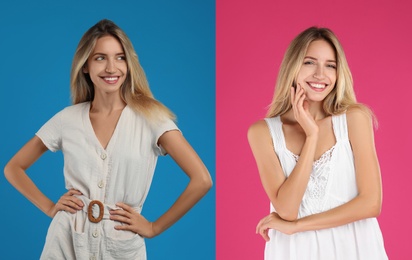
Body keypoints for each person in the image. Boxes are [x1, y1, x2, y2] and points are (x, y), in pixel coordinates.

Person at [3, 19, 213, 259]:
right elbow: (13, 168)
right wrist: (50, 208)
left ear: (129, 63)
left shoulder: (152, 120)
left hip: (122, 245)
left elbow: (202, 180)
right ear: (85, 65)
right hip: (65, 239)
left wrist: (154, 227)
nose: (112, 68)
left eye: (120, 57)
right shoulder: (67, 119)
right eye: (100, 58)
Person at [247, 27, 388, 259]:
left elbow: (371, 203)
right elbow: (287, 210)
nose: (321, 74)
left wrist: (297, 227)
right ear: (293, 67)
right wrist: (311, 136)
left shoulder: (354, 118)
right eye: (310, 62)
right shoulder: (263, 132)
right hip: (295, 252)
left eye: (330, 65)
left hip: (354, 248)